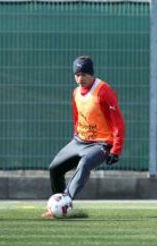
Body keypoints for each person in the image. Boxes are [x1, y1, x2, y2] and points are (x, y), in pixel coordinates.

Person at [43, 56, 125, 218]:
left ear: (91, 74)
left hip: (101, 144)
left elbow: (118, 122)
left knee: (85, 163)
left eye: (84, 75)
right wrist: (76, 137)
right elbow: (77, 117)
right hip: (79, 141)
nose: (80, 79)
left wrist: (116, 149)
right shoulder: (75, 93)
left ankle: (65, 203)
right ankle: (59, 206)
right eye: (77, 75)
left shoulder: (104, 91)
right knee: (54, 169)